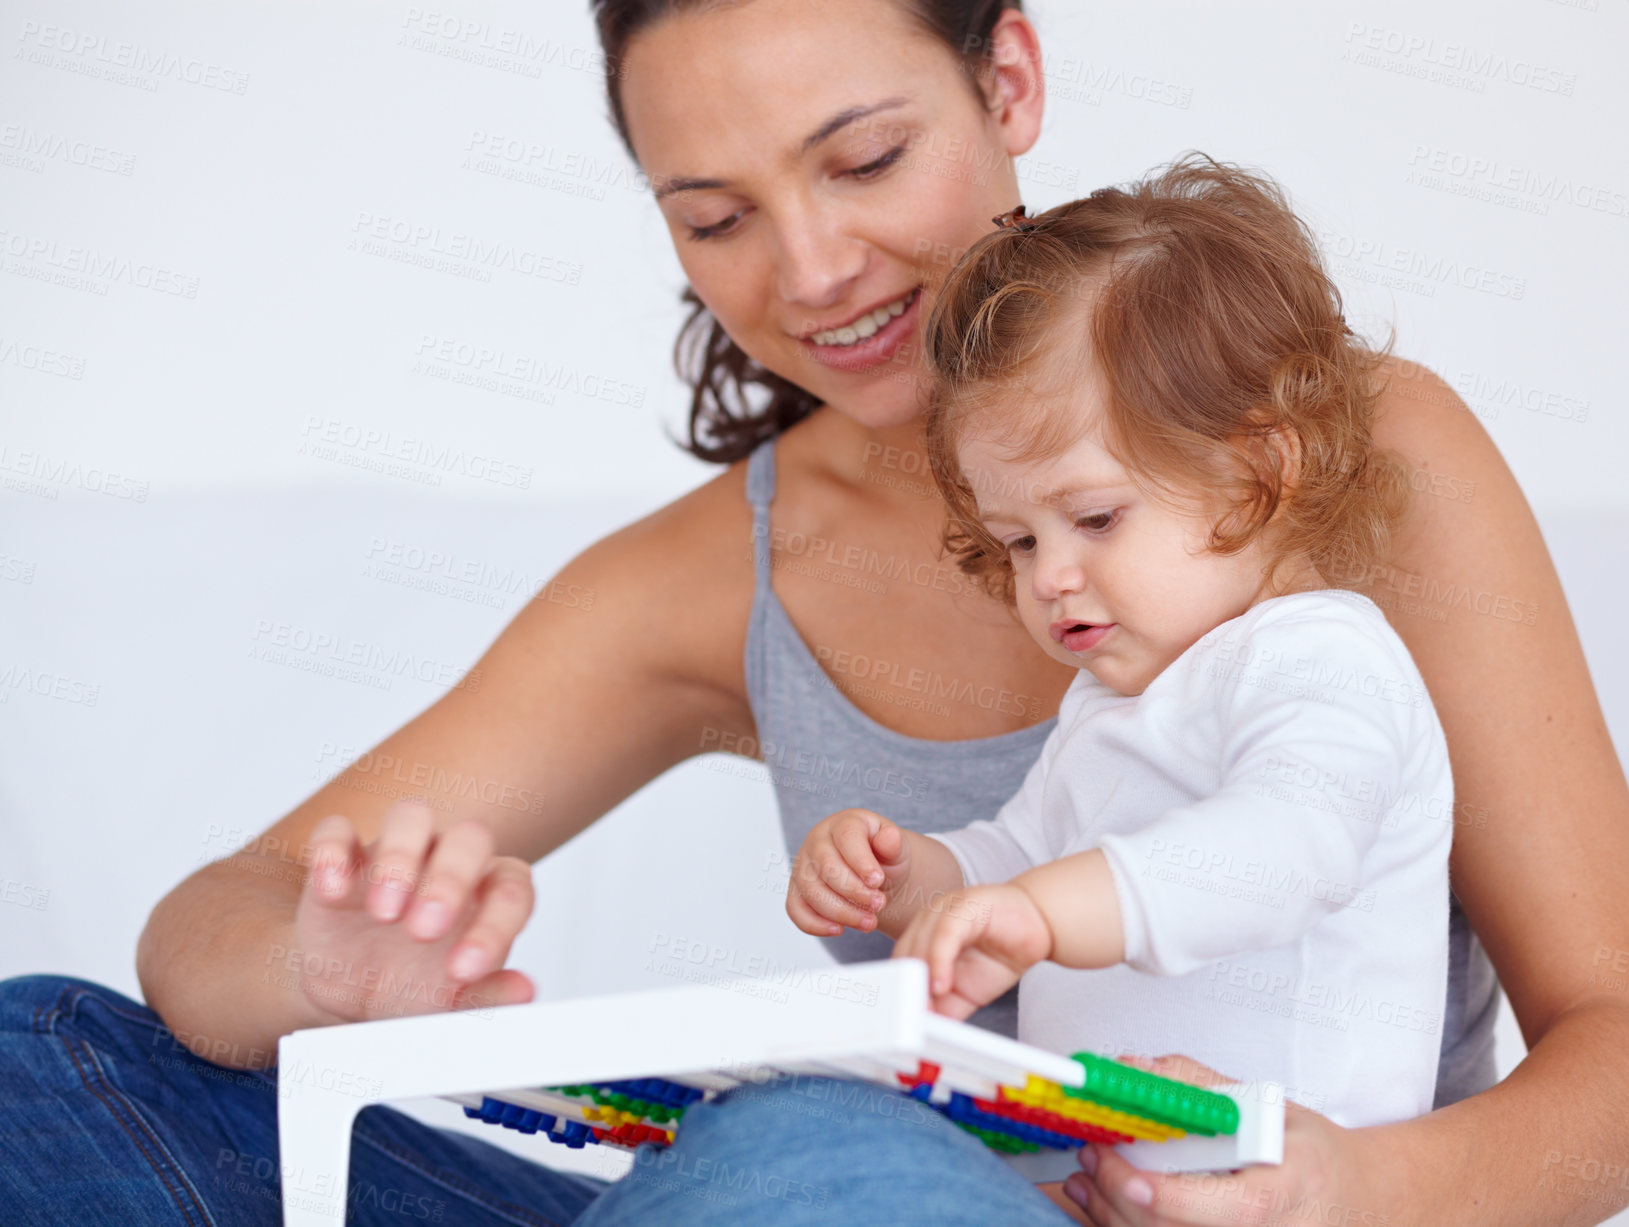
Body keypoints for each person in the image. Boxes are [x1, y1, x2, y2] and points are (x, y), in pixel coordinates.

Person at [1, 1, 1625, 1224]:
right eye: (711, 217)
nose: (812, 268)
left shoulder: (1340, 454)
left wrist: (1346, 1191)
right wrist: (329, 972)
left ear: (1006, 80)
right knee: (43, 1059)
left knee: (803, 1148)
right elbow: (209, 930)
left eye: (862, 161)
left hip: (1148, 1197)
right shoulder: (710, 573)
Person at [790, 157, 1455, 1129]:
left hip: (1290, 1182)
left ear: (1261, 469)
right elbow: (1015, 858)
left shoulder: (1323, 660)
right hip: (1127, 1170)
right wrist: (908, 877)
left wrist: (1046, 915)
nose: (1048, 575)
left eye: (1095, 519)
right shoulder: (1112, 703)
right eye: (1019, 540)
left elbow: (1284, 850)